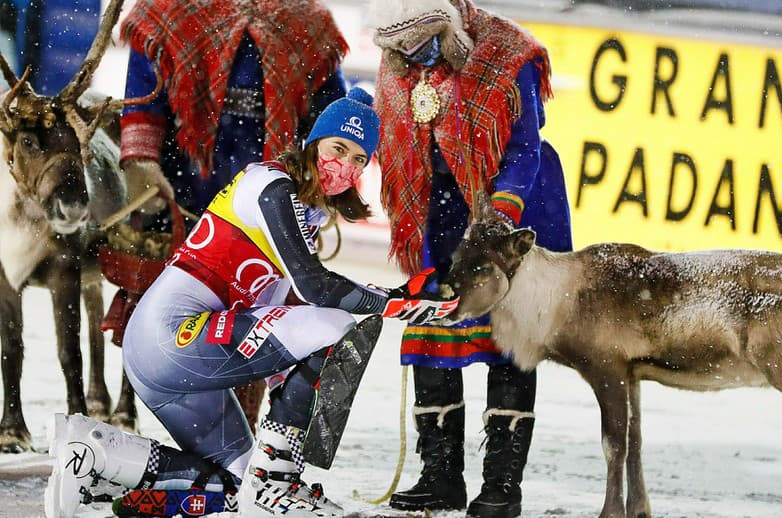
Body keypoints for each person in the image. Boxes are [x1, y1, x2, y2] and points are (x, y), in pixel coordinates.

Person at [43, 88, 459, 518]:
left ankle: (96, 463)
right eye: (339, 148)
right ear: (313, 143)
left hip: (176, 352)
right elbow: (316, 290)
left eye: (358, 159)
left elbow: (282, 320)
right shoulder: (272, 186)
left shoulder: (304, 213)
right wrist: (391, 301)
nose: (345, 166)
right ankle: (276, 484)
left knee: (238, 485)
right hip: (170, 337)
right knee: (334, 324)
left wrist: (289, 409)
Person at [368, 1, 573, 517]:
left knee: (509, 340)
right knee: (432, 325)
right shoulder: (399, 57)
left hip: (511, 203)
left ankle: (502, 487)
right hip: (435, 211)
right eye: (402, 47)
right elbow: (394, 137)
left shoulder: (509, 55)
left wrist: (498, 218)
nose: (415, 55)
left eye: (424, 40)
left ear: (450, 23)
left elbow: (525, 148)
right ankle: (440, 478)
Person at [117, 0, 350, 429]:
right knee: (176, 316)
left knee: (259, 316)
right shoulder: (166, 13)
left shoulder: (307, 23)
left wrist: (323, 181)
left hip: (270, 204)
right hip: (186, 190)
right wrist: (142, 163)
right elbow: (143, 99)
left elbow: (329, 116)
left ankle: (237, 434)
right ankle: (173, 424)